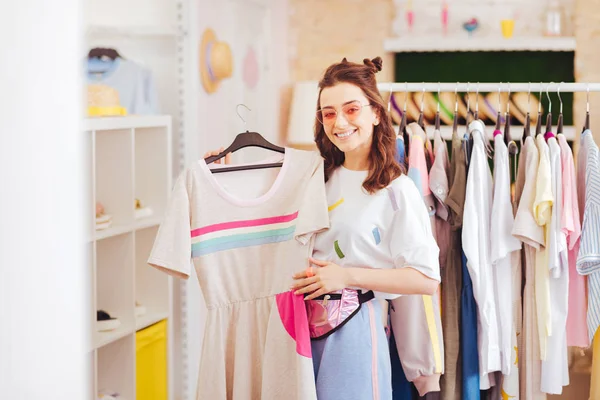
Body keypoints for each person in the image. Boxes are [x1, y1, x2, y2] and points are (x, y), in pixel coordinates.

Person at [205, 57, 441, 400]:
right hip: (298, 323)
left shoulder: (396, 190)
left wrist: (347, 277)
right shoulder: (314, 176)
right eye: (328, 113)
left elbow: (426, 279)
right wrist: (226, 168)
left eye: (351, 109)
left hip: (357, 326)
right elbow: (259, 210)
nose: (339, 122)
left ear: (376, 113)